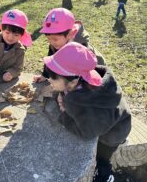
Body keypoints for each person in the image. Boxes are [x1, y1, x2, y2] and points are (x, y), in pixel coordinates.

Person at [44, 42, 131, 182]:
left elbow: (87, 133)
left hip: (113, 132)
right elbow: (64, 89)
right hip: (117, 117)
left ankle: (105, 176)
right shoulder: (83, 78)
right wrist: (60, 95)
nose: (49, 80)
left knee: (101, 159)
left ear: (72, 82)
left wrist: (64, 115)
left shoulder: (83, 103)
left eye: (53, 77)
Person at [33, 8, 105, 83]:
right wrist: (45, 75)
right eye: (48, 39)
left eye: (55, 39)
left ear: (71, 34)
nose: (51, 42)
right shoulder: (56, 43)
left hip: (95, 74)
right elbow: (52, 59)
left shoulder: (80, 51)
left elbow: (84, 74)